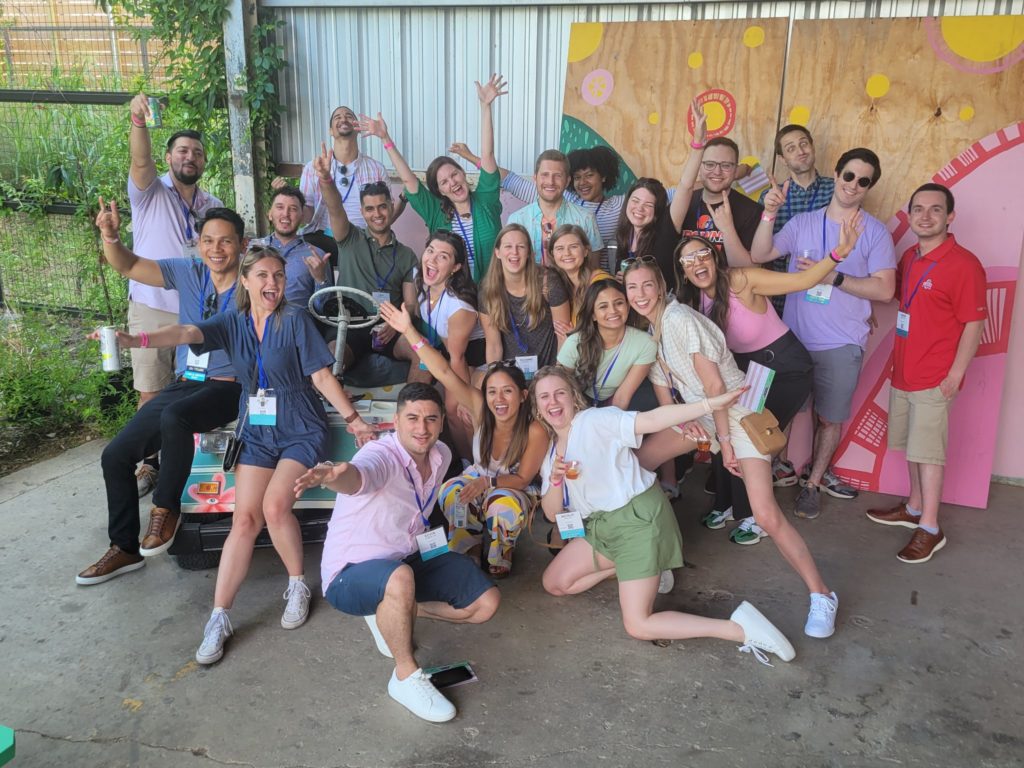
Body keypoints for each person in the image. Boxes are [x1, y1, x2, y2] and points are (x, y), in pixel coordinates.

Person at [103, 245, 376, 664]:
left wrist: (353, 418)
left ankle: (298, 583)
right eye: (264, 276)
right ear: (245, 281)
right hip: (260, 429)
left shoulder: (296, 320)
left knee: (274, 505)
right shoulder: (232, 321)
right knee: (244, 519)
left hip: (301, 426)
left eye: (279, 276)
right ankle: (218, 616)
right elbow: (185, 334)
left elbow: (321, 375)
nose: (273, 284)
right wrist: (134, 339)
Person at [624, 258, 841, 640]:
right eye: (632, 288)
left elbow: (715, 389)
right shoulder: (652, 330)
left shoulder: (679, 320)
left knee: (765, 514)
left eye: (646, 285)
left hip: (737, 414)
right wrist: (680, 421)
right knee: (637, 465)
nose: (639, 295)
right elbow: (664, 393)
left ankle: (821, 594)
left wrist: (723, 444)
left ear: (660, 286)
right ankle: (655, 559)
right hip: (703, 414)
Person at [530, 365, 795, 664]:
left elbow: (652, 419)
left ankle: (739, 629)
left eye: (559, 393)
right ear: (538, 407)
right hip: (602, 527)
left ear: (573, 397)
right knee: (555, 583)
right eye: (544, 397)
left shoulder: (594, 421)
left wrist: (709, 404)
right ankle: (650, 567)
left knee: (638, 624)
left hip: (638, 521)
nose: (552, 402)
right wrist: (554, 479)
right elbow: (553, 514)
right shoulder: (553, 453)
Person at [298, 383, 501, 723]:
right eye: (412, 418)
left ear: (440, 423)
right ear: (396, 421)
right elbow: (360, 476)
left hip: (404, 557)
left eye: (431, 419)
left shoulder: (442, 456)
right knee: (399, 578)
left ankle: (393, 609)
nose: (422, 428)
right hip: (350, 573)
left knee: (485, 604)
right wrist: (335, 476)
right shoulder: (381, 455)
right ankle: (405, 677)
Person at [76, 203, 244, 586]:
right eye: (208, 240)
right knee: (115, 455)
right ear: (198, 244)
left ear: (242, 244)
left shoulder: (251, 284)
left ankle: (166, 508)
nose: (216, 249)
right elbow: (129, 266)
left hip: (232, 386)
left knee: (175, 417)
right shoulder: (188, 272)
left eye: (225, 241)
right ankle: (124, 549)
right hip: (188, 381)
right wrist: (111, 236)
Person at [675, 224, 860, 545]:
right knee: (727, 433)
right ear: (683, 272)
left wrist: (837, 254)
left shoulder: (740, 279)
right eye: (687, 262)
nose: (696, 264)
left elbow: (801, 281)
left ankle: (755, 517)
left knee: (750, 434)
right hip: (748, 370)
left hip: (783, 367)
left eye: (701, 254)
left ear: (714, 256)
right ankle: (727, 505)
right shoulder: (693, 300)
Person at [751, 148, 897, 520]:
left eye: (863, 181)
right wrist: (769, 210)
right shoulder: (802, 222)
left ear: (869, 187)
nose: (853, 185)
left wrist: (832, 275)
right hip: (794, 340)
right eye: (849, 175)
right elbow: (760, 253)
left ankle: (813, 483)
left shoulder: (875, 232)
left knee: (830, 418)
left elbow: (884, 290)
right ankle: (774, 472)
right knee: (781, 411)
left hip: (842, 342)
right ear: (837, 174)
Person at [381, 301, 548, 577]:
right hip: (479, 477)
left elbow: (522, 479)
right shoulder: (482, 409)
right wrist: (409, 331)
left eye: (507, 391)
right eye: (492, 391)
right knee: (451, 492)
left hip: (512, 488)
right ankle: (468, 546)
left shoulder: (534, 429)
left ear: (523, 395)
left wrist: (489, 483)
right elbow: (443, 371)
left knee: (502, 504)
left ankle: (501, 547)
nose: (499, 399)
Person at [866, 183, 986, 563]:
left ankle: (930, 528)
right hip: (904, 371)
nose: (926, 216)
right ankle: (914, 508)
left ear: (950, 217)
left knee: (929, 453)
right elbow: (904, 303)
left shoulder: (964, 264)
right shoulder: (912, 258)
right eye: (918, 209)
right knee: (914, 448)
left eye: (936, 210)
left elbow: (974, 324)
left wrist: (955, 374)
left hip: (936, 377)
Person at [126, 93, 224, 497]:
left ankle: (186, 463)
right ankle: (149, 464)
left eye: (197, 153)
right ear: (168, 158)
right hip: (151, 307)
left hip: (191, 315)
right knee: (151, 392)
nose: (190, 157)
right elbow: (140, 161)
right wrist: (138, 122)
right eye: (182, 151)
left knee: (189, 389)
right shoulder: (149, 192)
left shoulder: (211, 204)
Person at [361, 76, 507, 282]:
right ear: (440, 191)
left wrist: (485, 107)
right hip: (456, 297)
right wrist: (386, 138)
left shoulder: (486, 199)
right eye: (444, 182)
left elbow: (488, 154)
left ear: (463, 174)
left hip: (492, 295)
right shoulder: (436, 212)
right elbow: (410, 181)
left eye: (454, 174)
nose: (452, 182)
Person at [757, 124, 836, 486]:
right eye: (790, 148)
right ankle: (783, 462)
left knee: (827, 386)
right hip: (781, 300)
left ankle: (821, 470)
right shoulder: (771, 196)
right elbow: (761, 252)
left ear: (813, 147)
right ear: (783, 158)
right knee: (784, 379)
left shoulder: (838, 191)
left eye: (804, 143)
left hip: (829, 301)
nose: (800, 151)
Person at [309, 142, 424, 379]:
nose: (377, 214)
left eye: (382, 206)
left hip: (387, 328)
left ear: (392, 207)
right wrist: (325, 179)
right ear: (362, 212)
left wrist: (395, 325)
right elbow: (334, 207)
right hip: (350, 325)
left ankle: (412, 409)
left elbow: (411, 304)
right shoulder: (349, 237)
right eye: (370, 209)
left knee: (422, 355)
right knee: (332, 356)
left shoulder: (406, 255)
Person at [610, 98, 709, 284]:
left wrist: (698, 145)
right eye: (635, 201)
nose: (639, 208)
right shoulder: (624, 233)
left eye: (648, 205)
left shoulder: (665, 228)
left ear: (657, 211)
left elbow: (686, 186)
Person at [461, 144, 624, 248]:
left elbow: (644, 199)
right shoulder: (559, 194)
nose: (583, 183)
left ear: (603, 176)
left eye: (589, 175)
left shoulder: (617, 206)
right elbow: (510, 179)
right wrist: (471, 157)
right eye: (577, 177)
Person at [414, 231, 487, 458]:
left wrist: (461, 397)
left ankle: (469, 464)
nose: (432, 260)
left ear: (455, 267)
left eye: (443, 256)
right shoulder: (422, 279)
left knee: (457, 412)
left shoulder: (459, 306)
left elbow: (458, 358)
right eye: (430, 251)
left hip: (473, 358)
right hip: (442, 349)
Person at [479, 224, 571, 373]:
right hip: (512, 377)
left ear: (528, 252)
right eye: (508, 246)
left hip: (549, 372)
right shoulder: (488, 290)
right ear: (497, 252)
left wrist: (557, 376)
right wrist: (495, 379)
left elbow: (563, 337)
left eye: (521, 247)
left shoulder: (548, 283)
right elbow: (494, 345)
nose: (514, 252)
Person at [557, 278, 656, 410]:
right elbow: (558, 388)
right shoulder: (575, 342)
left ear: (627, 306)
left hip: (615, 399)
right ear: (593, 315)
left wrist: (607, 425)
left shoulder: (645, 343)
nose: (613, 311)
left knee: (649, 398)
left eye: (619, 303)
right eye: (603, 306)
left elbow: (622, 397)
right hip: (577, 400)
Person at [294, 105, 391, 234]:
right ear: (330, 131)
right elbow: (307, 217)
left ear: (358, 129)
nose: (343, 119)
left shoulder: (377, 169)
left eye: (349, 116)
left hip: (363, 240)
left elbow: (388, 210)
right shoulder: (313, 168)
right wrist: (292, 202)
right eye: (337, 117)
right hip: (322, 238)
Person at [508, 149, 604, 267]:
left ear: (567, 181)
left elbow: (593, 270)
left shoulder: (586, 219)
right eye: (545, 175)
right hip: (529, 285)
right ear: (535, 178)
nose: (550, 181)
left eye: (557, 176)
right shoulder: (517, 220)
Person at [679, 136, 764, 267]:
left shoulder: (753, 211)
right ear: (699, 167)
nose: (717, 171)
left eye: (726, 165)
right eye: (709, 164)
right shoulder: (682, 205)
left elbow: (751, 271)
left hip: (732, 286)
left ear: (735, 170)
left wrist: (728, 230)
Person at [249, 185, 332, 312]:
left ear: (302, 216)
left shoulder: (317, 256)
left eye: (293, 209)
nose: (286, 214)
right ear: (270, 214)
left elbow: (322, 310)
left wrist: (321, 280)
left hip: (297, 325)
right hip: (256, 324)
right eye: (280, 207)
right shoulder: (252, 249)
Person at [547, 224, 611, 326]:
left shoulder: (600, 283)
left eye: (573, 247)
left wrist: (573, 337)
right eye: (560, 248)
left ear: (585, 251)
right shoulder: (558, 285)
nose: (567, 253)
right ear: (552, 254)